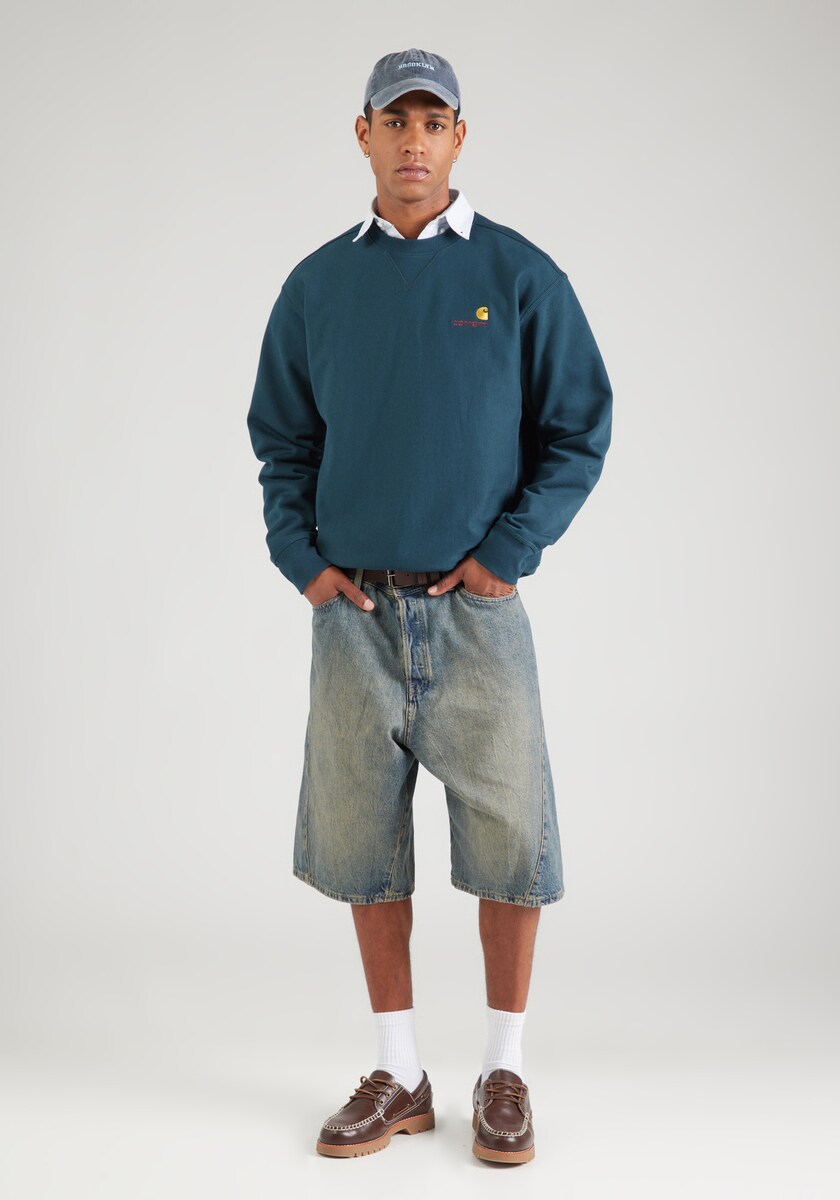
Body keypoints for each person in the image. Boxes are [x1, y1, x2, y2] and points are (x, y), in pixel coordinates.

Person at [246, 47, 613, 1165]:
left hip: (476, 619)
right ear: (362, 134)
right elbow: (282, 440)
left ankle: (505, 1068)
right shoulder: (318, 286)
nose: (414, 140)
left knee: (512, 843)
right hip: (353, 618)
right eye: (395, 120)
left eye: (434, 120)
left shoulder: (518, 274)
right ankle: (400, 1073)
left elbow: (578, 427)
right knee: (364, 847)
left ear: (460, 137)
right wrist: (303, 561)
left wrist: (508, 552)